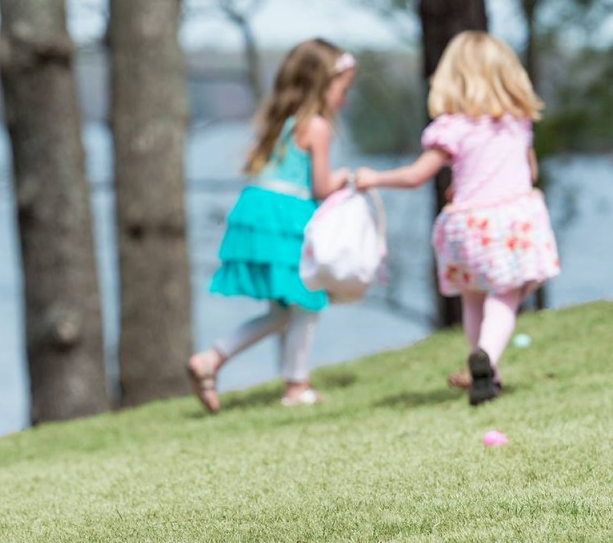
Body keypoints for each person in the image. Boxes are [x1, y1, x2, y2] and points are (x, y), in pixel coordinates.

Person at [355, 31, 559, 406]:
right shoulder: (517, 122)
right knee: (507, 292)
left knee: (473, 296)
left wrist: (374, 178)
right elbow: (527, 173)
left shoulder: (450, 128)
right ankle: (488, 358)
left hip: (466, 226)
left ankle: (481, 368)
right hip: (510, 221)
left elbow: (417, 176)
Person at [187, 38, 355, 413]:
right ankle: (296, 386)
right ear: (323, 84)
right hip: (287, 217)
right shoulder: (317, 126)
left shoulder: (281, 122)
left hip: (258, 212)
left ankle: (212, 359)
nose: (343, 99)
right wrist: (348, 178)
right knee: (307, 301)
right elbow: (321, 187)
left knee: (283, 311)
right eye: (342, 89)